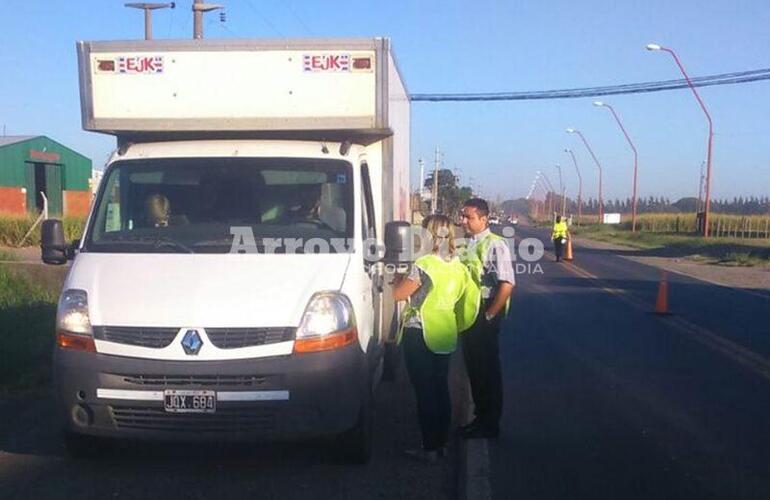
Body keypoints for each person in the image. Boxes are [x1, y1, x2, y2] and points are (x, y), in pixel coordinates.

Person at [393, 214, 477, 463]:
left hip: (420, 333)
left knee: (425, 393)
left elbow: (399, 295)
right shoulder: (459, 266)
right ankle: (441, 444)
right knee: (441, 390)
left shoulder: (425, 264)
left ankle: (429, 448)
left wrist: (397, 278)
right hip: (445, 333)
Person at [458, 198, 515, 439]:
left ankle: (490, 423)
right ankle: (480, 418)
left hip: (485, 310)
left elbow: (507, 284)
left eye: (468, 217)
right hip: (469, 313)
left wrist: (490, 315)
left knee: (487, 370)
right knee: (474, 368)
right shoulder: (468, 243)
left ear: (483, 219)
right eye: (463, 216)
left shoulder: (495, 245)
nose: (463, 221)